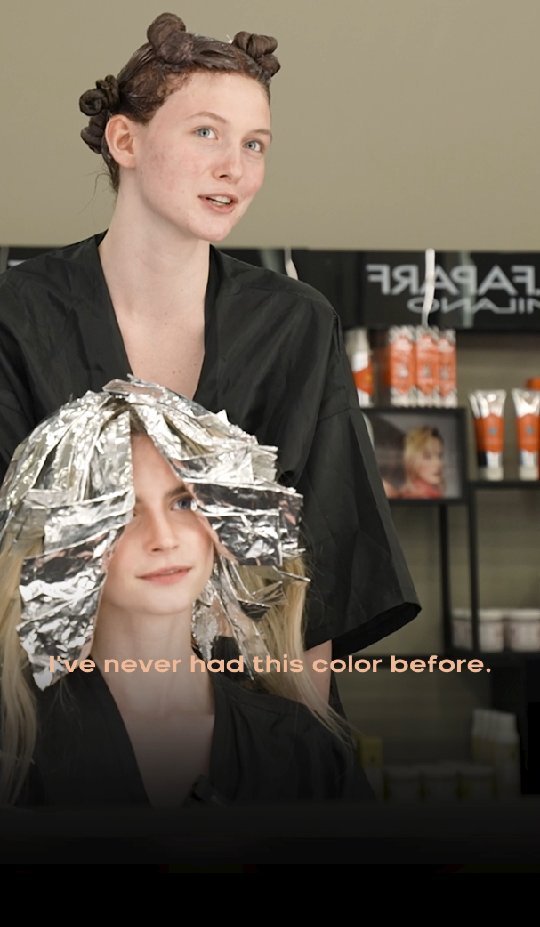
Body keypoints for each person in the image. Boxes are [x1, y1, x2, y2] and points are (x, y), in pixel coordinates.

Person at [0, 12, 419, 707]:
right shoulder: (18, 318)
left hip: (253, 713)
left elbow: (324, 571)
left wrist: (302, 750)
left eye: (255, 144)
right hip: (51, 723)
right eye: (205, 133)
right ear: (125, 140)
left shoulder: (294, 326)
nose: (235, 168)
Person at [0, 378, 373, 809]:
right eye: (124, 511)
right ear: (68, 542)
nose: (163, 538)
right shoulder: (16, 752)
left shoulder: (300, 752)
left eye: (183, 503)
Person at [399, 427, 445, 499]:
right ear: (412, 461)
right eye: (427, 456)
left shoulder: (433, 493)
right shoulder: (415, 496)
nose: (438, 463)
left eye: (439, 456)